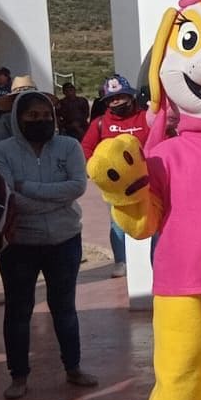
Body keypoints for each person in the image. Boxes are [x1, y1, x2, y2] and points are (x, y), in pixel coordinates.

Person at [0, 91, 96, 398]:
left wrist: (29, 188)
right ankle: (19, 375)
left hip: (64, 241)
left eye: (46, 114)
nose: (41, 120)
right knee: (18, 310)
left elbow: (78, 186)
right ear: (17, 119)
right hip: (19, 244)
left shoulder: (70, 146)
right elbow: (9, 196)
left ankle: (73, 367)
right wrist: (54, 198)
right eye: (32, 116)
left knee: (64, 308)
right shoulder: (2, 151)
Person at [81, 75, 149, 278]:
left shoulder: (146, 118)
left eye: (119, 97)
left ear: (130, 96)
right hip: (116, 188)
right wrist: (94, 170)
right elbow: (86, 148)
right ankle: (121, 262)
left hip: (146, 182)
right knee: (117, 223)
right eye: (111, 99)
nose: (115, 102)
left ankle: (154, 260)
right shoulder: (100, 123)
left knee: (151, 219)